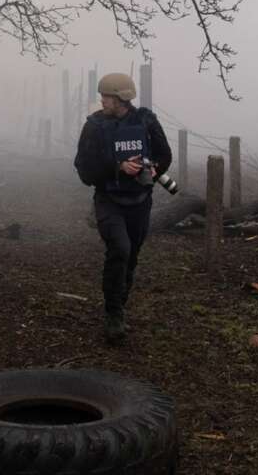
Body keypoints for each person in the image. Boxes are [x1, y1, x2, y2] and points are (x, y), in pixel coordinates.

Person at [73, 72, 172, 341]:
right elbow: (84, 169)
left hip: (140, 201)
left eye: (107, 96)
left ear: (121, 98)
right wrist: (117, 167)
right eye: (102, 96)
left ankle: (120, 301)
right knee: (120, 248)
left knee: (131, 256)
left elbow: (165, 155)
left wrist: (152, 169)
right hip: (108, 200)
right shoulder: (94, 127)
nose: (102, 101)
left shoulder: (146, 121)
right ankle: (113, 313)